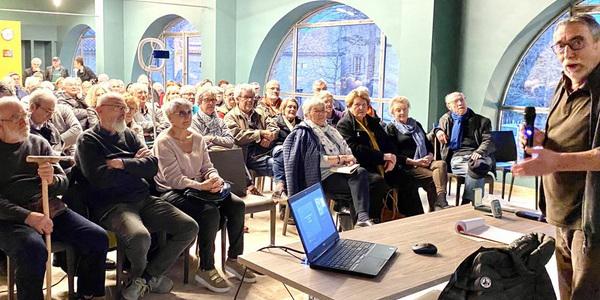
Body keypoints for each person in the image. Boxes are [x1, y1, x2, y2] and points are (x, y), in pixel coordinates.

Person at [75, 92, 198, 300]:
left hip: (143, 199)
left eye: (125, 107)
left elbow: (151, 166)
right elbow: (100, 179)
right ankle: (141, 280)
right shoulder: (88, 140)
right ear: (99, 110)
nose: (124, 112)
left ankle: (145, 278)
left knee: (189, 227)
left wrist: (121, 163)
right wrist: (134, 164)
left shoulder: (129, 135)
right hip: (113, 205)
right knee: (140, 237)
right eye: (117, 107)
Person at [512, 14, 600, 300]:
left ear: (598, 45)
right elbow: (563, 138)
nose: (567, 52)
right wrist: (541, 140)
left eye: (577, 42)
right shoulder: (563, 86)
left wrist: (555, 160)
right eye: (560, 46)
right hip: (560, 212)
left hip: (591, 221)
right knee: (565, 291)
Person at [0, 96, 108, 300]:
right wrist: (28, 216)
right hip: (9, 218)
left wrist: (52, 180)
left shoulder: (38, 143)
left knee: (96, 237)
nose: (24, 121)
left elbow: (63, 181)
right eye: (16, 118)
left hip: (48, 208)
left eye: (24, 115)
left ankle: (87, 293)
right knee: (33, 249)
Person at [154, 98, 256, 293]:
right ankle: (206, 268)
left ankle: (234, 258)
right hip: (172, 191)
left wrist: (215, 179)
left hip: (200, 188)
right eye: (181, 113)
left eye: (188, 112)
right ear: (169, 117)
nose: (187, 117)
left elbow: (207, 167)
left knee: (236, 205)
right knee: (209, 212)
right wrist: (202, 186)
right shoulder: (164, 142)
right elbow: (174, 180)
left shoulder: (197, 137)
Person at [283, 98, 373, 227]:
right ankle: (360, 222)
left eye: (323, 111)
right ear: (307, 114)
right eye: (316, 111)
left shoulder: (331, 130)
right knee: (362, 186)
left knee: (362, 174)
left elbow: (346, 149)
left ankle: (360, 221)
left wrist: (350, 159)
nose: (321, 114)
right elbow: (316, 161)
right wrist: (341, 159)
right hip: (322, 176)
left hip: (342, 171)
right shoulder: (304, 132)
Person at [337, 88, 421, 218]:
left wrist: (392, 158)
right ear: (349, 106)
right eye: (357, 105)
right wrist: (383, 157)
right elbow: (355, 150)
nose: (361, 108)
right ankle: (373, 220)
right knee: (377, 183)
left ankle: (413, 218)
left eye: (364, 105)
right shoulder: (344, 124)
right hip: (363, 166)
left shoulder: (372, 121)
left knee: (408, 178)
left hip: (383, 163)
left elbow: (388, 143)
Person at [386, 96, 449, 211]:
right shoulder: (391, 128)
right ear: (392, 112)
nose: (402, 112)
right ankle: (437, 208)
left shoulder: (416, 124)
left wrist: (429, 156)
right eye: (398, 110)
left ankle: (441, 199)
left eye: (405, 109)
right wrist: (416, 162)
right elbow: (394, 154)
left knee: (441, 164)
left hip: (425, 160)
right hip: (409, 165)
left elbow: (428, 145)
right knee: (434, 178)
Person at [433, 91, 495, 205]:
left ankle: (467, 203)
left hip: (478, 156)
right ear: (449, 106)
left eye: (462, 99)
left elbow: (488, 140)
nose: (460, 103)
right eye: (456, 101)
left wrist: (479, 151)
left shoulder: (482, 121)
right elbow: (436, 127)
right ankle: (473, 203)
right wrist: (438, 131)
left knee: (477, 165)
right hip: (458, 158)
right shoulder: (446, 119)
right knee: (478, 169)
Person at [224, 84, 279, 195]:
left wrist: (270, 136)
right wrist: (260, 133)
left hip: (265, 150)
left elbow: (274, 127)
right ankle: (282, 197)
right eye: (246, 97)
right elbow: (237, 136)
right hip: (246, 156)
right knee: (278, 166)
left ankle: (283, 196)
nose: (250, 100)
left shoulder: (260, 113)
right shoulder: (230, 117)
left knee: (285, 157)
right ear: (237, 99)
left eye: (252, 97)